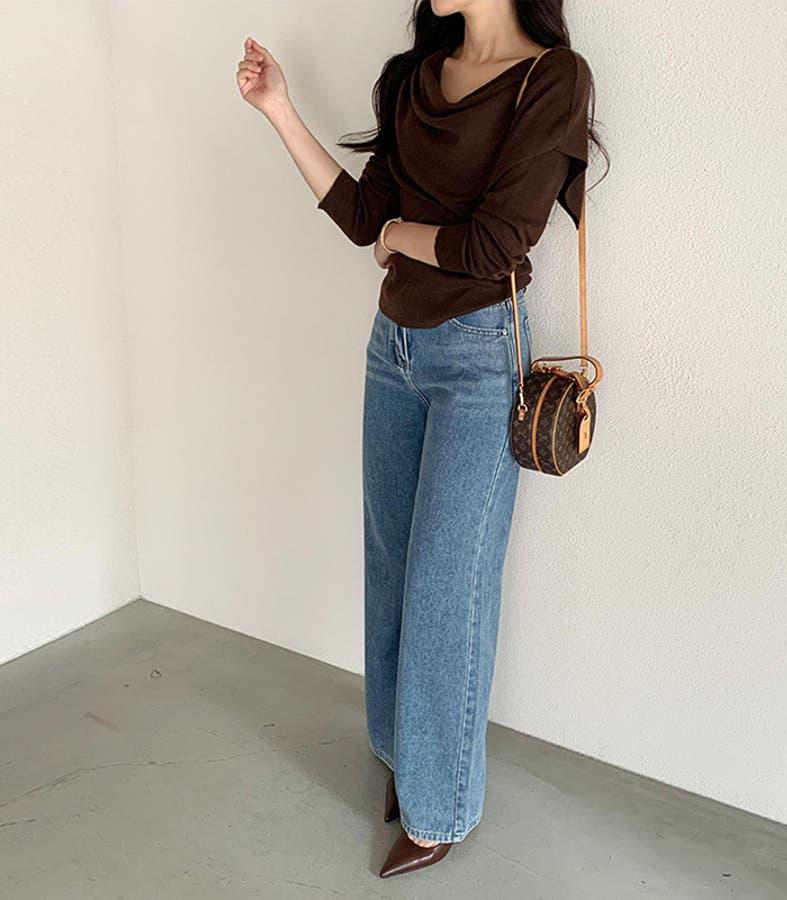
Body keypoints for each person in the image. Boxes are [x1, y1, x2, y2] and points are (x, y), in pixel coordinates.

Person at [236, 0, 607, 879]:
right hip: (393, 347)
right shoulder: (416, 77)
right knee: (392, 560)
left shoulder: (553, 79)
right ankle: (404, 756)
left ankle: (440, 803)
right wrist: (279, 109)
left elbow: (496, 246)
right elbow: (364, 215)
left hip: (481, 357)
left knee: (448, 582)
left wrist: (402, 236)